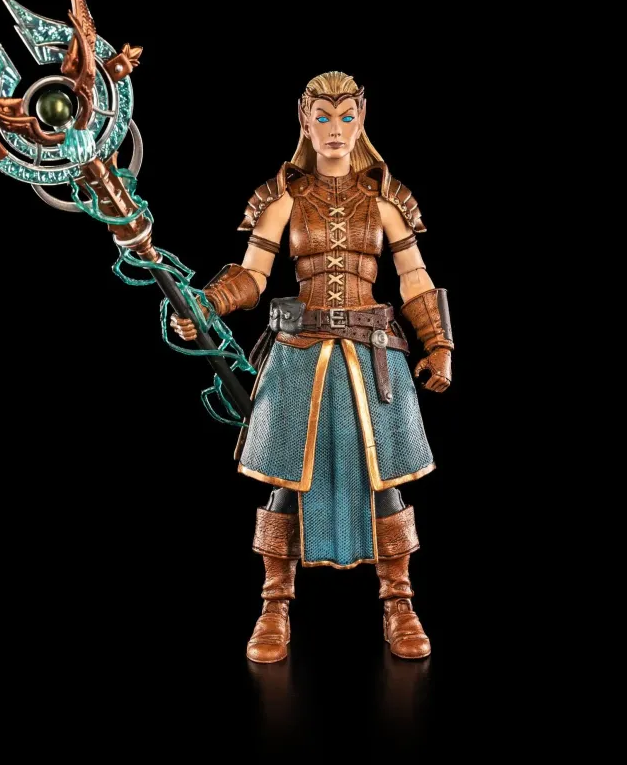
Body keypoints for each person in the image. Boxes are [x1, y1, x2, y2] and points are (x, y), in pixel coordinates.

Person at [170, 71, 454, 663]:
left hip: (373, 353)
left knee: (385, 479)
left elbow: (414, 277)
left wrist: (439, 344)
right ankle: (274, 604)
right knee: (286, 479)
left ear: (362, 118)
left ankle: (399, 601)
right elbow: (252, 276)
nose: (335, 129)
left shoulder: (387, 199)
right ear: (304, 119)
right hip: (299, 353)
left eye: (346, 115)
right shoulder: (282, 199)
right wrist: (206, 304)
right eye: (322, 116)